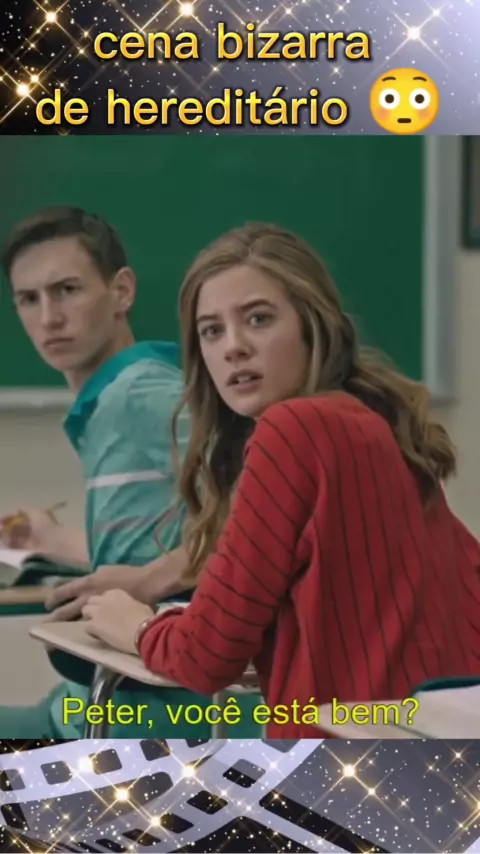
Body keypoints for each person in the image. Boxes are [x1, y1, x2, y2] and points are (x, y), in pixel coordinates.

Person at [82, 222, 480, 739]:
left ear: (312, 327)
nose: (234, 347)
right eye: (212, 331)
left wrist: (135, 625)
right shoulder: (372, 419)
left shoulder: (293, 429)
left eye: (259, 319)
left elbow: (205, 657)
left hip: (344, 760)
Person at [0, 206, 209, 738]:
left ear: (122, 291)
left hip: (150, 712)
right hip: (105, 698)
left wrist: (150, 581)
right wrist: (52, 541)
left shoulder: (139, 395)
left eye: (67, 290)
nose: (48, 318)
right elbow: (159, 546)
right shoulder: (113, 399)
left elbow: (265, 518)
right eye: (28, 299)